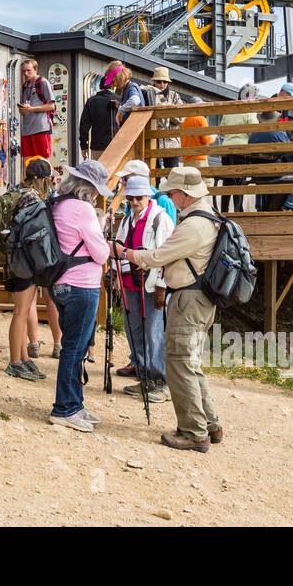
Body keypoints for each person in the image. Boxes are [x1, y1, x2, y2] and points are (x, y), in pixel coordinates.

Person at [118, 166, 223, 452]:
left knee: (179, 363)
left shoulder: (193, 225)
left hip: (189, 299)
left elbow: (158, 256)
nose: (170, 197)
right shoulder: (206, 217)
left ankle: (193, 431)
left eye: (173, 192)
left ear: (185, 194)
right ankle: (209, 423)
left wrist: (126, 254)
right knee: (191, 362)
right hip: (198, 297)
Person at [47, 160, 114, 432]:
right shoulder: (84, 209)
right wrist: (100, 227)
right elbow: (100, 253)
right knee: (75, 348)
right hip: (82, 285)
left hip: (59, 283)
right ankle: (64, 408)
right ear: (90, 188)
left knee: (73, 345)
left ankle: (75, 404)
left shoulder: (57, 203)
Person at [112, 174, 173, 402]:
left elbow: (166, 255)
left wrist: (161, 287)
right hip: (130, 282)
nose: (135, 202)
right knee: (134, 329)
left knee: (154, 332)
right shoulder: (129, 220)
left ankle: (161, 381)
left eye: (138, 197)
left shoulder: (160, 219)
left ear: (147, 195)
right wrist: (113, 270)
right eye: (131, 198)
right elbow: (119, 247)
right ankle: (145, 375)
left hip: (151, 283)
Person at [4, 157, 58, 381]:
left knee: (23, 311)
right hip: (24, 261)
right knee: (21, 312)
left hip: (16, 259)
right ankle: (15, 362)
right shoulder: (32, 198)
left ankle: (24, 358)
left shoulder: (19, 192)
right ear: (43, 179)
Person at [217, 83, 259, 213]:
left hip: (225, 150)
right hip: (241, 150)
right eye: (254, 96)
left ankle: (223, 210)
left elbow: (222, 130)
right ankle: (238, 210)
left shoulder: (230, 109)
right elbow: (254, 129)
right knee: (239, 181)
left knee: (227, 181)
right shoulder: (249, 110)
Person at [17, 59, 57, 161]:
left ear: (35, 69)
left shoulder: (43, 82)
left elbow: (51, 106)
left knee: (42, 161)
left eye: (28, 70)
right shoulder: (25, 86)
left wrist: (32, 109)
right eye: (23, 71)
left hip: (41, 128)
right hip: (26, 130)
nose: (26, 73)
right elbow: (23, 111)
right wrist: (22, 109)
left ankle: (46, 178)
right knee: (27, 162)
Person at [115, 158, 177, 222]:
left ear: (138, 178)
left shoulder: (163, 201)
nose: (122, 182)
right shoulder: (131, 200)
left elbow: (171, 230)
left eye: (124, 178)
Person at [78, 66, 120, 159]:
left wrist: (83, 146)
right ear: (113, 86)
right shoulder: (119, 100)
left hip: (97, 146)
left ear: (100, 86)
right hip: (116, 145)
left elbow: (84, 126)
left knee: (98, 172)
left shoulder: (91, 101)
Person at [179, 98, 216, 169]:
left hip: (186, 158)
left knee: (189, 179)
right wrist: (213, 137)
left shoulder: (183, 121)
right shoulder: (201, 119)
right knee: (205, 179)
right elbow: (205, 140)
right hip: (199, 157)